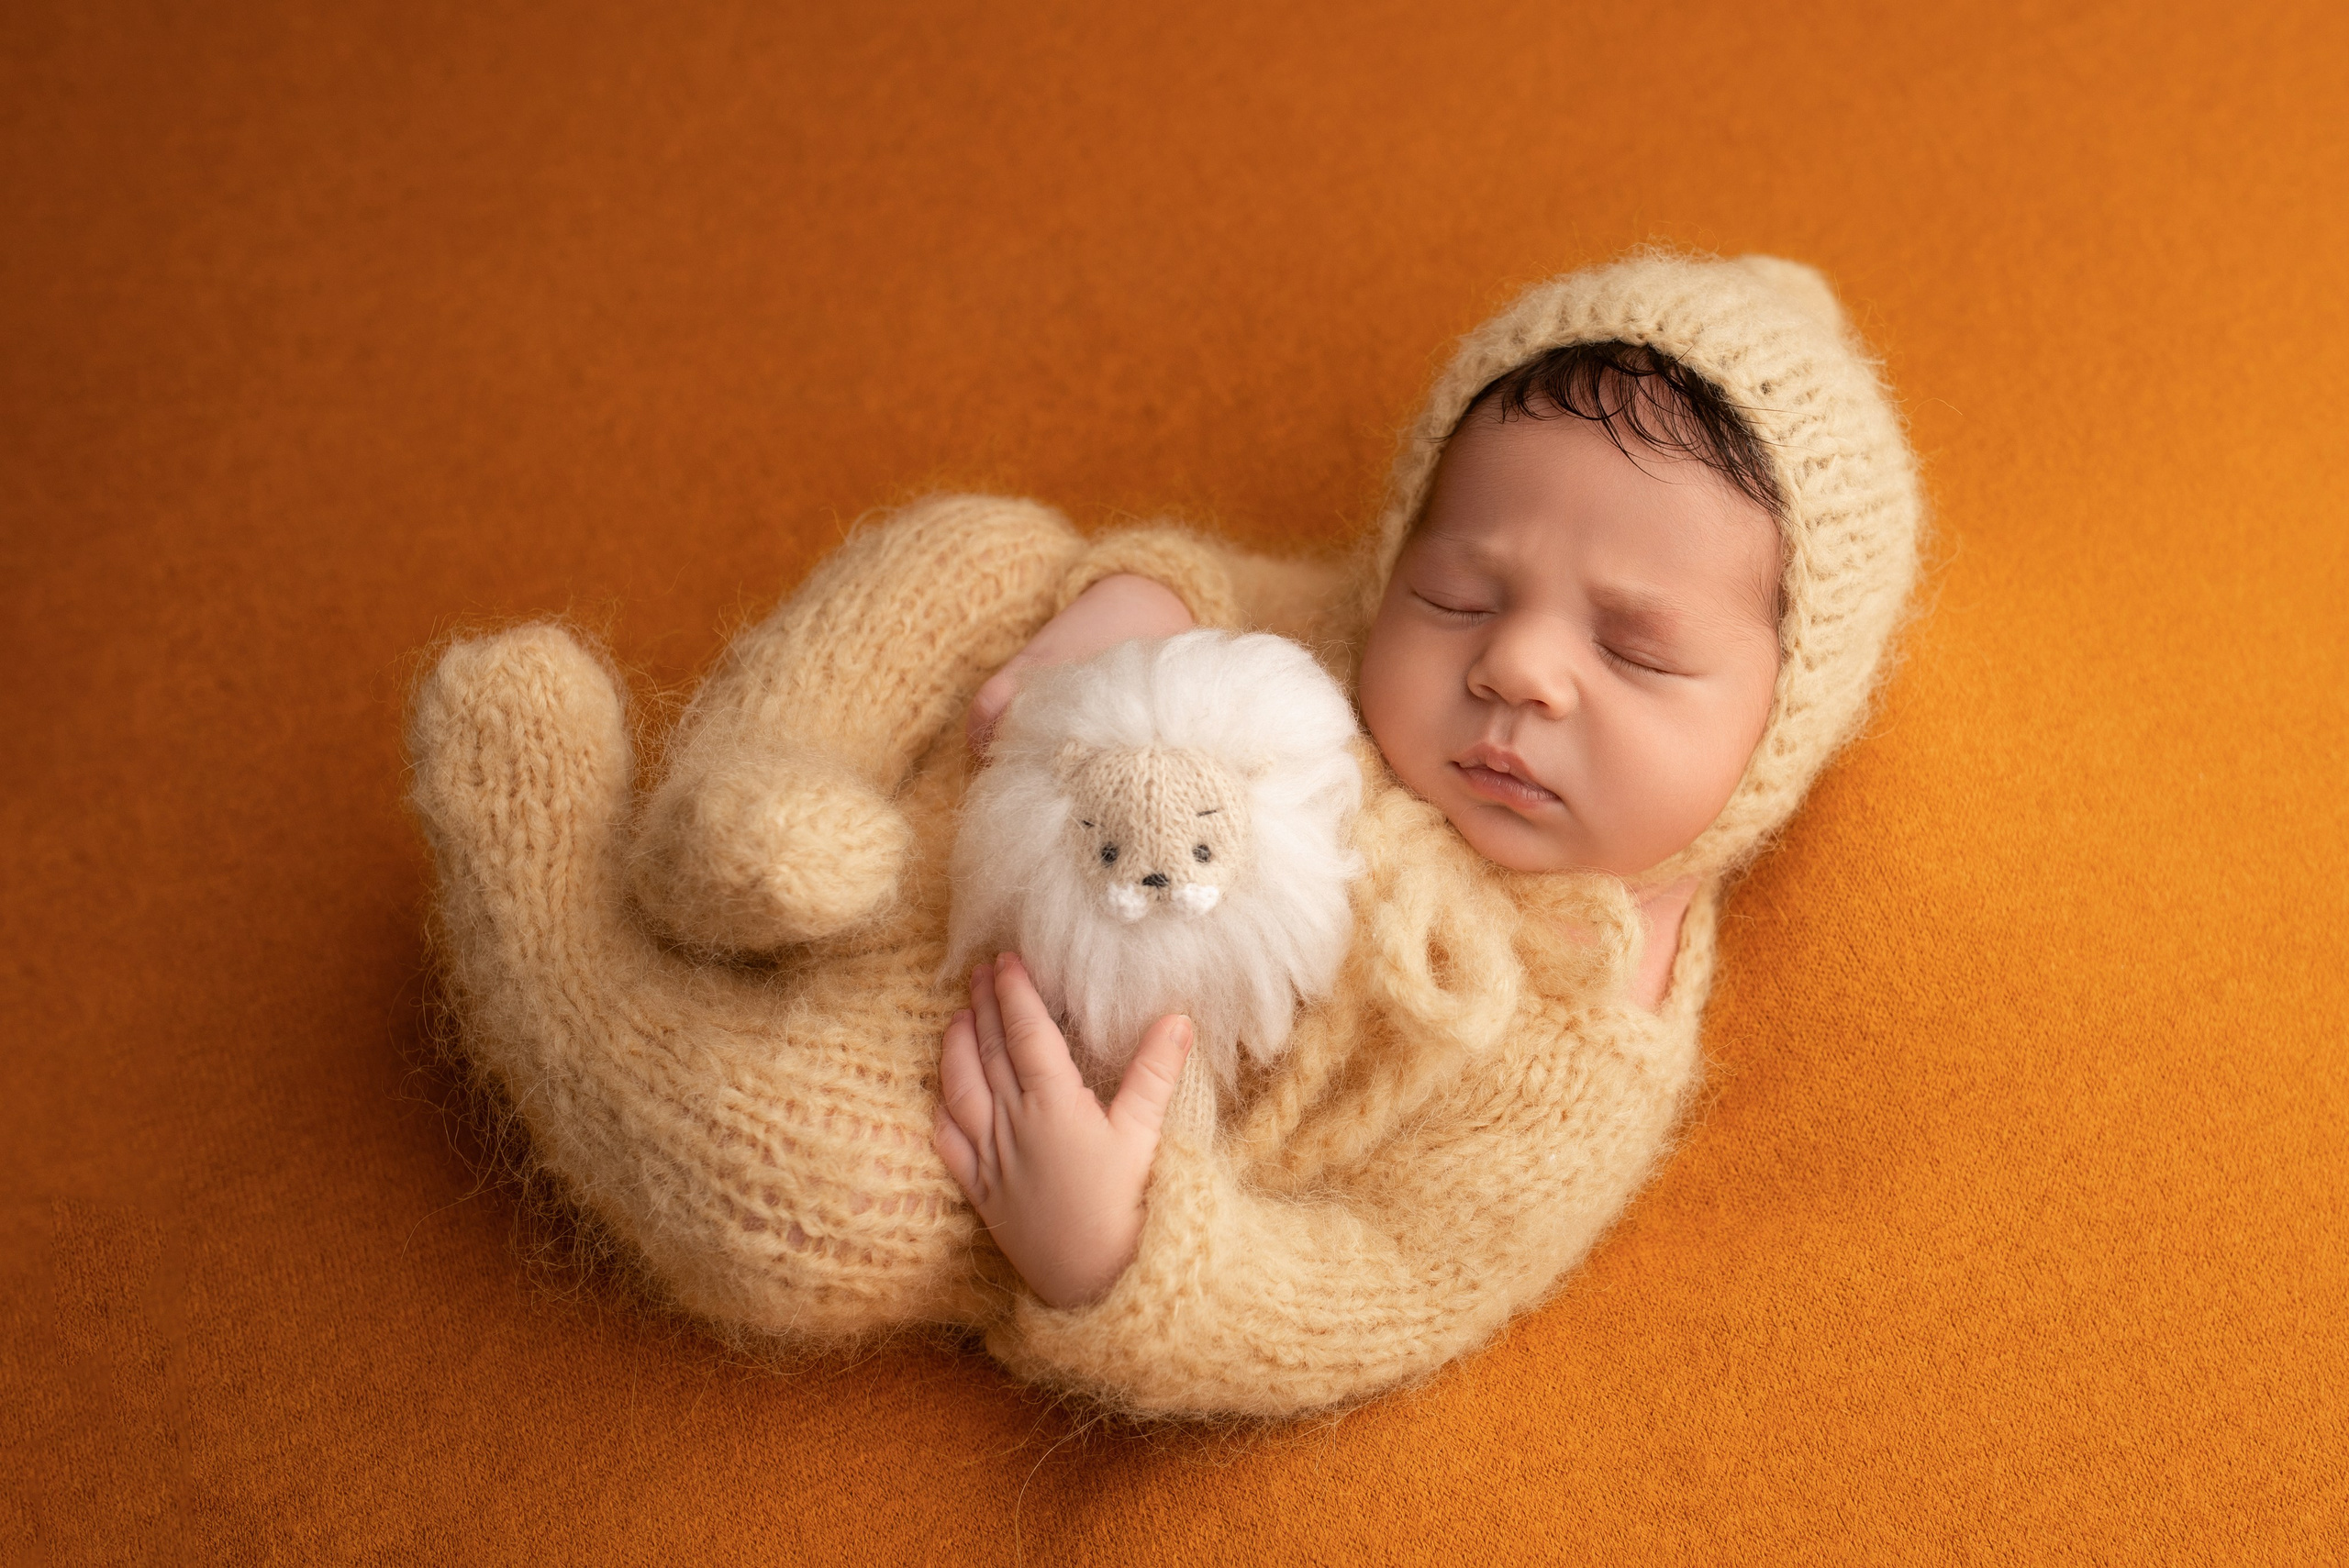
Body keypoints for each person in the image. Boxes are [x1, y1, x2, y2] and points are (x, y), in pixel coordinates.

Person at [406, 250, 1924, 1418]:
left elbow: (1394, 1277)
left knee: (795, 1192)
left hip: (999, 1088)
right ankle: (754, 795)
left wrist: (1122, 1248)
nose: (1516, 665)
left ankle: (548, 907)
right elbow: (1229, 580)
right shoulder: (1357, 627)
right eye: (1461, 591)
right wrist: (1130, 603)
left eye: (1638, 652)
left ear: (1784, 729)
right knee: (985, 550)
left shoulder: (1582, 1046)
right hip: (952, 807)